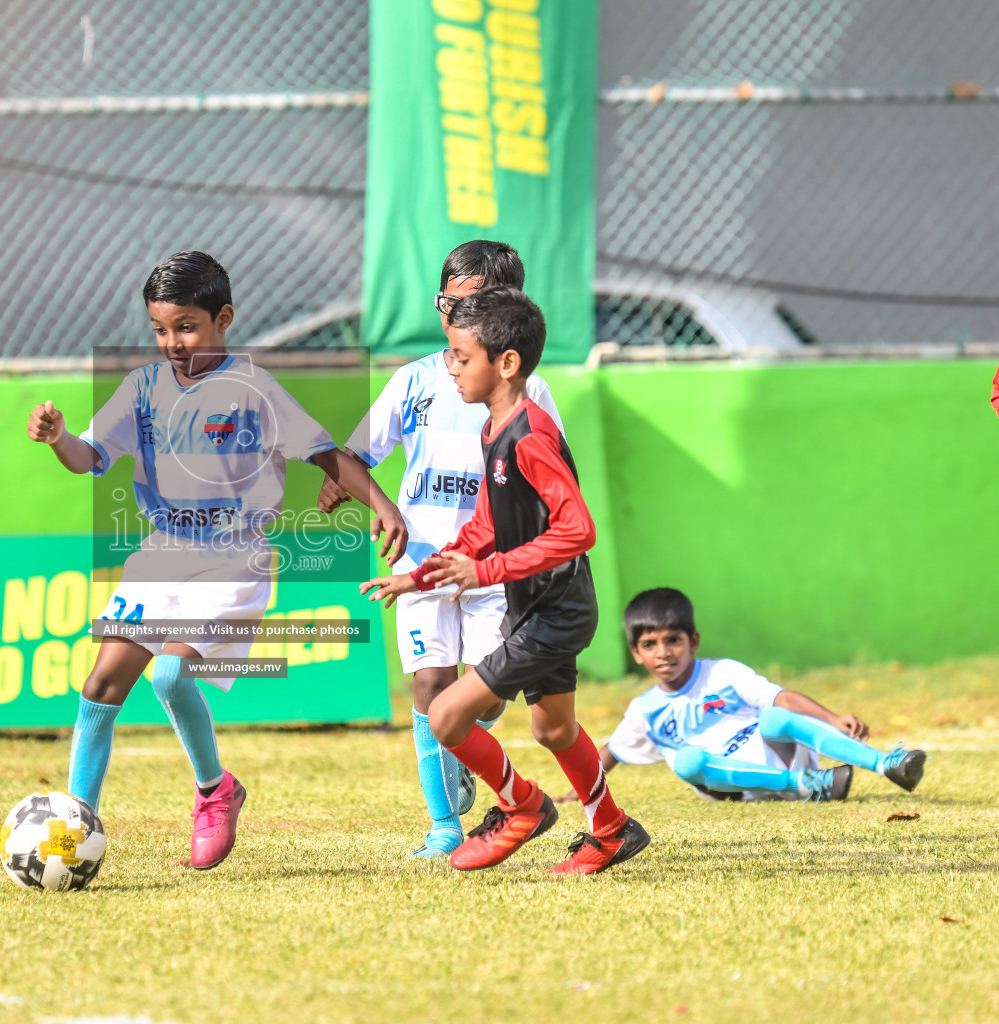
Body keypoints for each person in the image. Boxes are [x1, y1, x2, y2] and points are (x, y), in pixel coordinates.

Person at [27, 251, 408, 870]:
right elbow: (87, 457)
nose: (171, 341)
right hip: (160, 556)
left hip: (235, 561)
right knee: (99, 687)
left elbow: (324, 454)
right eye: (159, 328)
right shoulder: (141, 389)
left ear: (222, 318)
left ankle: (215, 791)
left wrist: (382, 505)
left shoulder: (253, 390)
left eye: (186, 326)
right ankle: (74, 829)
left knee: (171, 676)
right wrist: (58, 440)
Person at [362, 288, 650, 876]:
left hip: (553, 611)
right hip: (538, 605)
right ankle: (613, 830)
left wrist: (485, 571)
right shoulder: (495, 427)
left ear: (507, 363)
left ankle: (521, 808)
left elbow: (578, 529)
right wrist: (421, 577)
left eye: (462, 358)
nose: (451, 368)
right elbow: (488, 524)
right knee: (554, 728)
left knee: (446, 715)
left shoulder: (530, 435)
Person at [319, 240, 564, 858]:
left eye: (470, 303)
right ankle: (444, 827)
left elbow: (551, 478)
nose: (452, 314)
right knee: (431, 683)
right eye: (444, 302)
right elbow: (354, 457)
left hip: (491, 567)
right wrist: (369, 498)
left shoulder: (529, 393)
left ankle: (460, 749)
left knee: (488, 690)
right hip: (422, 564)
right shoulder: (417, 379)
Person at [597, 587, 926, 801]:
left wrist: (832, 718)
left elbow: (780, 698)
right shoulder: (645, 710)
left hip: (781, 755)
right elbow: (611, 749)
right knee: (687, 761)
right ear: (636, 653)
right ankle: (803, 785)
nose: (663, 653)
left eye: (673, 640)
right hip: (734, 787)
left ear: (693, 642)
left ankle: (885, 763)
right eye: (649, 645)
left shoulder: (722, 672)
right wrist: (584, 793)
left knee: (772, 716)